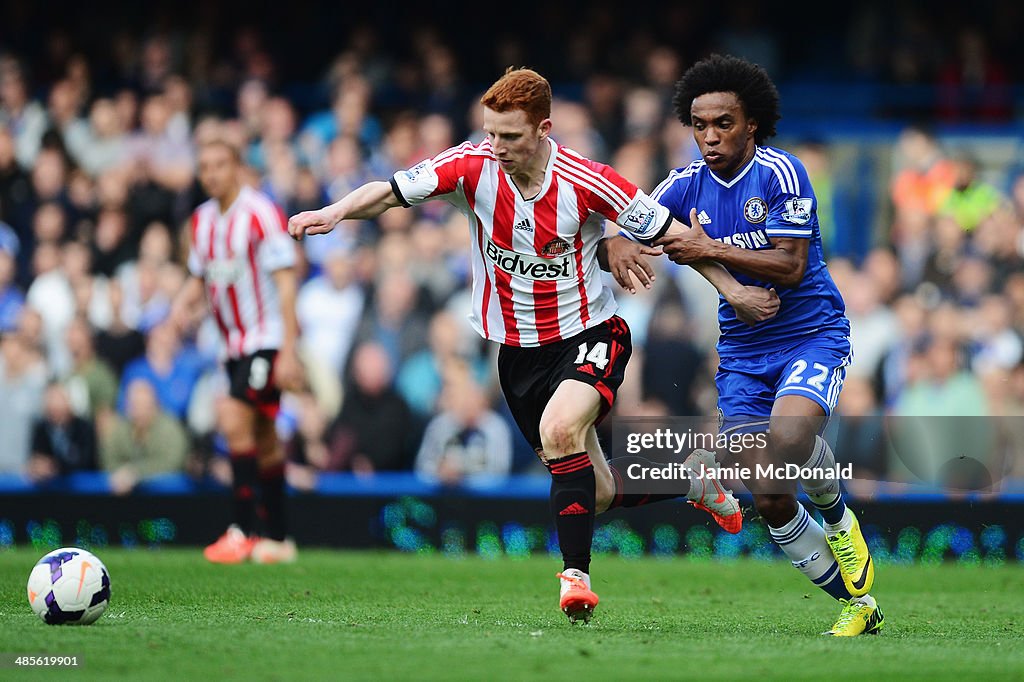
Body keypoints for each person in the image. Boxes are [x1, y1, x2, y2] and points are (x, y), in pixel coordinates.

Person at [289, 67, 778, 622]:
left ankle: (575, 578)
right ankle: (692, 479)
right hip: (518, 355)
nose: (495, 146)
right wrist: (334, 213)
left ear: (543, 129)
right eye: (489, 132)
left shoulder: (586, 180)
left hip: (590, 335)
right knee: (592, 492)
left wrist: (735, 290)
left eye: (510, 136)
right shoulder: (470, 167)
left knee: (559, 430)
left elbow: (673, 235)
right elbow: (390, 192)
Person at [602, 54, 882, 636]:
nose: (709, 137)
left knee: (789, 438)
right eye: (700, 126)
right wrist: (613, 241)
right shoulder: (682, 185)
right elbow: (625, 216)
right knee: (772, 495)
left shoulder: (781, 173)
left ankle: (836, 516)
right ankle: (858, 605)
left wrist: (708, 250)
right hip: (744, 352)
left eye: (723, 123)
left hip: (809, 332)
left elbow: (789, 264)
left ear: (751, 123)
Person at [171, 139, 304, 565]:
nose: (211, 174)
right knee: (264, 443)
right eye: (204, 166)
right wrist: (181, 304)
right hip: (230, 346)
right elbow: (201, 276)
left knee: (232, 418)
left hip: (264, 340)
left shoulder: (260, 214)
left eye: (219, 165)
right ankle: (280, 539)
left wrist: (289, 350)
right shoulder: (201, 221)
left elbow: (286, 282)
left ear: (237, 168)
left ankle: (242, 531)